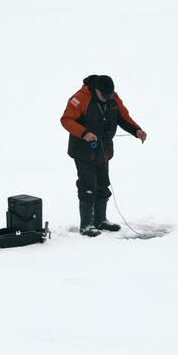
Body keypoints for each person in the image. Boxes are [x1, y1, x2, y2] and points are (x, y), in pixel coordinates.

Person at [60, 74, 147, 236]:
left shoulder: (112, 97)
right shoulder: (80, 98)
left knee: (102, 183)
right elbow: (66, 120)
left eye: (110, 95)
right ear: (96, 90)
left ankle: (100, 220)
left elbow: (123, 117)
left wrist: (137, 130)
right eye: (104, 96)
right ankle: (86, 225)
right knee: (88, 186)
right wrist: (84, 133)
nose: (107, 99)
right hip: (83, 150)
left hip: (103, 149)